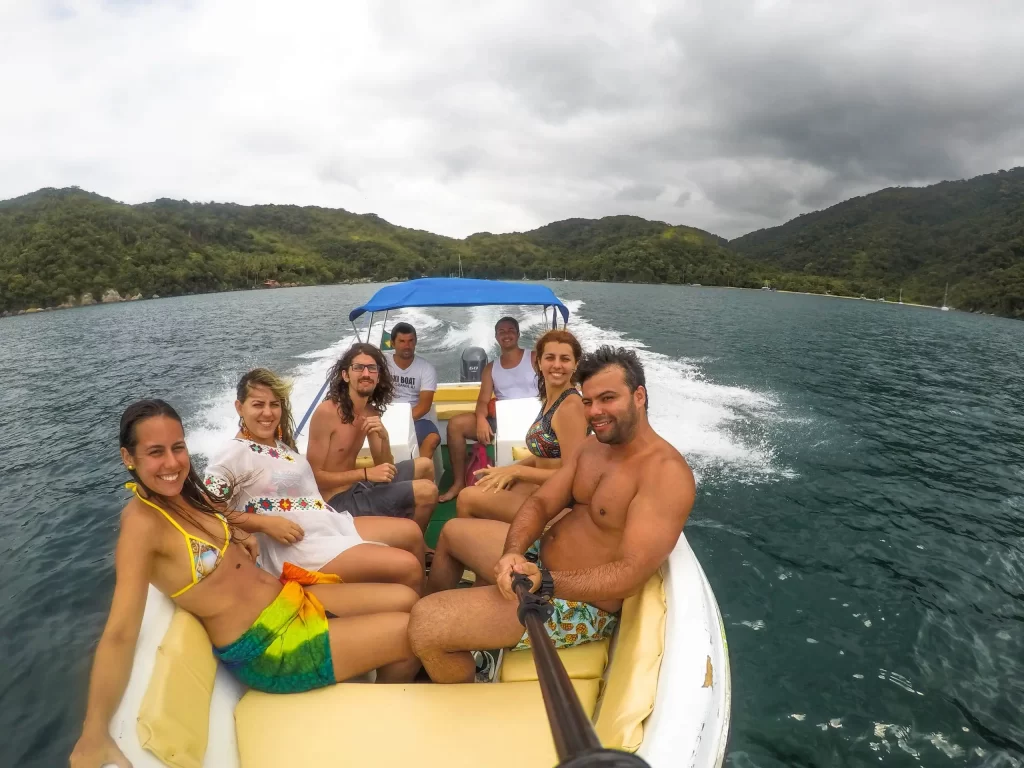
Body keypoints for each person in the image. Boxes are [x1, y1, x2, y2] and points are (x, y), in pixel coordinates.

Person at [69, 400, 420, 768]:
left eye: (178, 447)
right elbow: (121, 632)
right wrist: (93, 730)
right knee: (411, 634)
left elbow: (222, 518)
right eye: (155, 452)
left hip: (291, 599)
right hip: (270, 648)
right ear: (129, 457)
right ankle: (381, 729)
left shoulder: (186, 492)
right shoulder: (141, 524)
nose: (172, 463)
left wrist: (242, 531)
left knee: (406, 597)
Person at [407, 346, 695, 683]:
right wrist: (514, 551)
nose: (595, 412)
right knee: (454, 531)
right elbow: (541, 503)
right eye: (588, 402)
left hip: (579, 602)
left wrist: (545, 582)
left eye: (607, 398)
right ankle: (449, 642)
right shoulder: (593, 448)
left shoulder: (665, 475)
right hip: (539, 567)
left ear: (639, 396)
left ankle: (469, 684)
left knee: (426, 623)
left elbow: (629, 574)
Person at [203, 368, 425, 593]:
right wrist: (263, 523)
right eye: (258, 405)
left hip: (325, 522)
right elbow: (204, 508)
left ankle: (431, 600)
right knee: (408, 567)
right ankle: (429, 617)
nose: (268, 413)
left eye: (274, 404)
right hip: (295, 548)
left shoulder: (280, 447)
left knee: (411, 533)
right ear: (240, 408)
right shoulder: (234, 452)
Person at [455, 329, 588, 523]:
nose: (557, 365)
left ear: (575, 364)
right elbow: (546, 455)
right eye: (550, 358)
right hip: (542, 487)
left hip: (558, 503)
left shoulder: (570, 406)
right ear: (539, 363)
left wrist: (516, 472)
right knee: (488, 486)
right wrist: (508, 470)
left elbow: (571, 475)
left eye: (565, 359)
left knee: (467, 498)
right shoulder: (552, 398)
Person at [307, 343, 438, 532]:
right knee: (428, 491)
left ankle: (406, 533)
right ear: (345, 375)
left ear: (378, 377)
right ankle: (411, 541)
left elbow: (385, 467)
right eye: (358, 368)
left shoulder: (369, 412)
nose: (366, 374)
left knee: (425, 465)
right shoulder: (327, 413)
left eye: (372, 368)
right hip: (335, 501)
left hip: (357, 486)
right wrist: (366, 474)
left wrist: (383, 438)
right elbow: (314, 477)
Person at [438, 316, 537, 503]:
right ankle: (458, 483)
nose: (506, 335)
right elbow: (483, 401)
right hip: (502, 421)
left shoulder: (534, 358)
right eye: (502, 331)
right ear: (496, 336)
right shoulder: (491, 368)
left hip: (535, 419)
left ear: (518, 334)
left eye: (510, 330)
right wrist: (482, 420)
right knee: (456, 425)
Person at [386, 322, 441, 460]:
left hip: (416, 419)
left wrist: (401, 422)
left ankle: (418, 475)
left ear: (415, 342)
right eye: (402, 341)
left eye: (411, 341)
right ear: (392, 343)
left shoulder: (426, 369)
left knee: (433, 438)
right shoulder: (382, 363)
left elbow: (424, 407)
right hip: (385, 415)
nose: (407, 346)